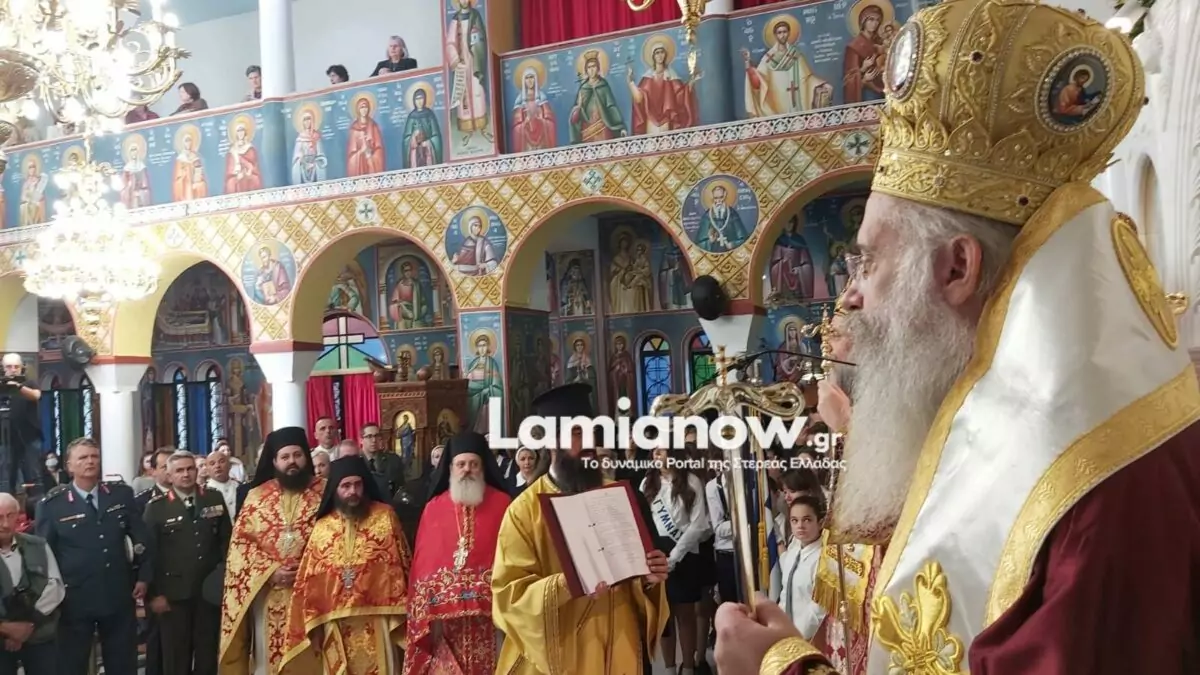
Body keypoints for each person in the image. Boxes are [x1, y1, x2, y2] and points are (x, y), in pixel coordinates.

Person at [715, 1, 1200, 673]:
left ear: (956, 268)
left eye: (868, 262)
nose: (850, 296)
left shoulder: (1092, 488)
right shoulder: (1028, 424)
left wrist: (778, 666)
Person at [492, 382, 670, 674]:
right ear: (552, 442)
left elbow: (636, 575)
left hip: (621, 645)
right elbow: (509, 596)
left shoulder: (620, 497)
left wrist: (650, 578)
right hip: (562, 654)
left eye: (592, 431)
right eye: (577, 433)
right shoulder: (523, 511)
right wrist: (567, 584)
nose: (588, 441)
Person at [281, 456, 409, 673]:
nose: (353, 491)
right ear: (335, 489)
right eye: (346, 486)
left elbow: (404, 565)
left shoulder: (385, 517)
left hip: (379, 619)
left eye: (358, 485)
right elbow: (308, 580)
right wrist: (314, 624)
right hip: (335, 622)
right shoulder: (322, 528)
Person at [35, 437, 150, 675]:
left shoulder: (120, 495)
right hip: (75, 598)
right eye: (83, 457)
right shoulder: (52, 504)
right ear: (69, 466)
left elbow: (141, 539)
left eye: (94, 456)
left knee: (122, 663)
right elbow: (45, 554)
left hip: (117, 592)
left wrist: (143, 577)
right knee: (72, 663)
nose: (90, 461)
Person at [218, 427, 325, 674]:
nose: (292, 462)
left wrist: (307, 569)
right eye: (285, 457)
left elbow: (335, 536)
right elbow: (241, 546)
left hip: (314, 592)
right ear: (274, 461)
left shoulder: (325, 491)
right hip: (268, 592)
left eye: (297, 455)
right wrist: (271, 572)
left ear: (306, 457)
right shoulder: (257, 497)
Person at [405, 431, 511, 674]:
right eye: (461, 464)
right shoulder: (433, 508)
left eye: (473, 464)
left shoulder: (503, 503)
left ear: (483, 468)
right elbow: (423, 564)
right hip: (444, 620)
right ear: (451, 468)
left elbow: (513, 556)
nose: (467, 470)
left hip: (492, 617)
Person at [144, 451, 230, 675]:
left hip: (208, 592)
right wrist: (154, 594)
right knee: (176, 659)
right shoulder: (156, 507)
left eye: (190, 469)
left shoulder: (213, 498)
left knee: (208, 656)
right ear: (169, 475)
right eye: (179, 470)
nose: (186, 474)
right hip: (173, 595)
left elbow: (226, 543)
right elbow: (149, 555)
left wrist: (225, 581)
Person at [641, 445, 711, 675]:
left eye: (661, 450)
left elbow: (698, 524)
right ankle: (670, 670)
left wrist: (675, 556)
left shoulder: (692, 482)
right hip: (657, 554)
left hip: (686, 554)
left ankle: (688, 668)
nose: (656, 454)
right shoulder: (647, 483)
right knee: (664, 619)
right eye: (654, 450)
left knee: (686, 616)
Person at [0, 491, 64, 674]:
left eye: (10, 516)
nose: (5, 524)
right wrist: (7, 629)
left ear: (18, 516)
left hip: (38, 634)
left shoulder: (38, 545)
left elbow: (56, 587)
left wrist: (28, 623)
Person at [768, 496, 826, 640]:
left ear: (820, 523)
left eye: (807, 520)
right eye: (794, 520)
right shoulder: (793, 552)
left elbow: (818, 609)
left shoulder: (824, 559)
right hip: (787, 633)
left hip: (810, 637)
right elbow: (785, 594)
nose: (800, 526)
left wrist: (797, 636)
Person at [0, 354, 42, 497]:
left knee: (33, 471)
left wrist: (18, 387)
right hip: (5, 438)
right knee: (6, 473)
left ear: (22, 368)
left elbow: (36, 395)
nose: (13, 370)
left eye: (16, 367)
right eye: (9, 367)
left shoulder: (29, 383)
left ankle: (36, 502)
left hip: (30, 436)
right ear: (3, 368)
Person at [361, 422, 404, 497]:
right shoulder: (355, 461)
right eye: (369, 436)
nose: (374, 440)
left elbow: (401, 486)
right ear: (361, 440)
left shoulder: (393, 460)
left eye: (377, 436)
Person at [205, 449, 240, 520]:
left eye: (221, 462)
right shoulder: (204, 491)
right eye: (212, 463)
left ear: (230, 465)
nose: (217, 466)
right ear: (207, 470)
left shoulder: (240, 487)